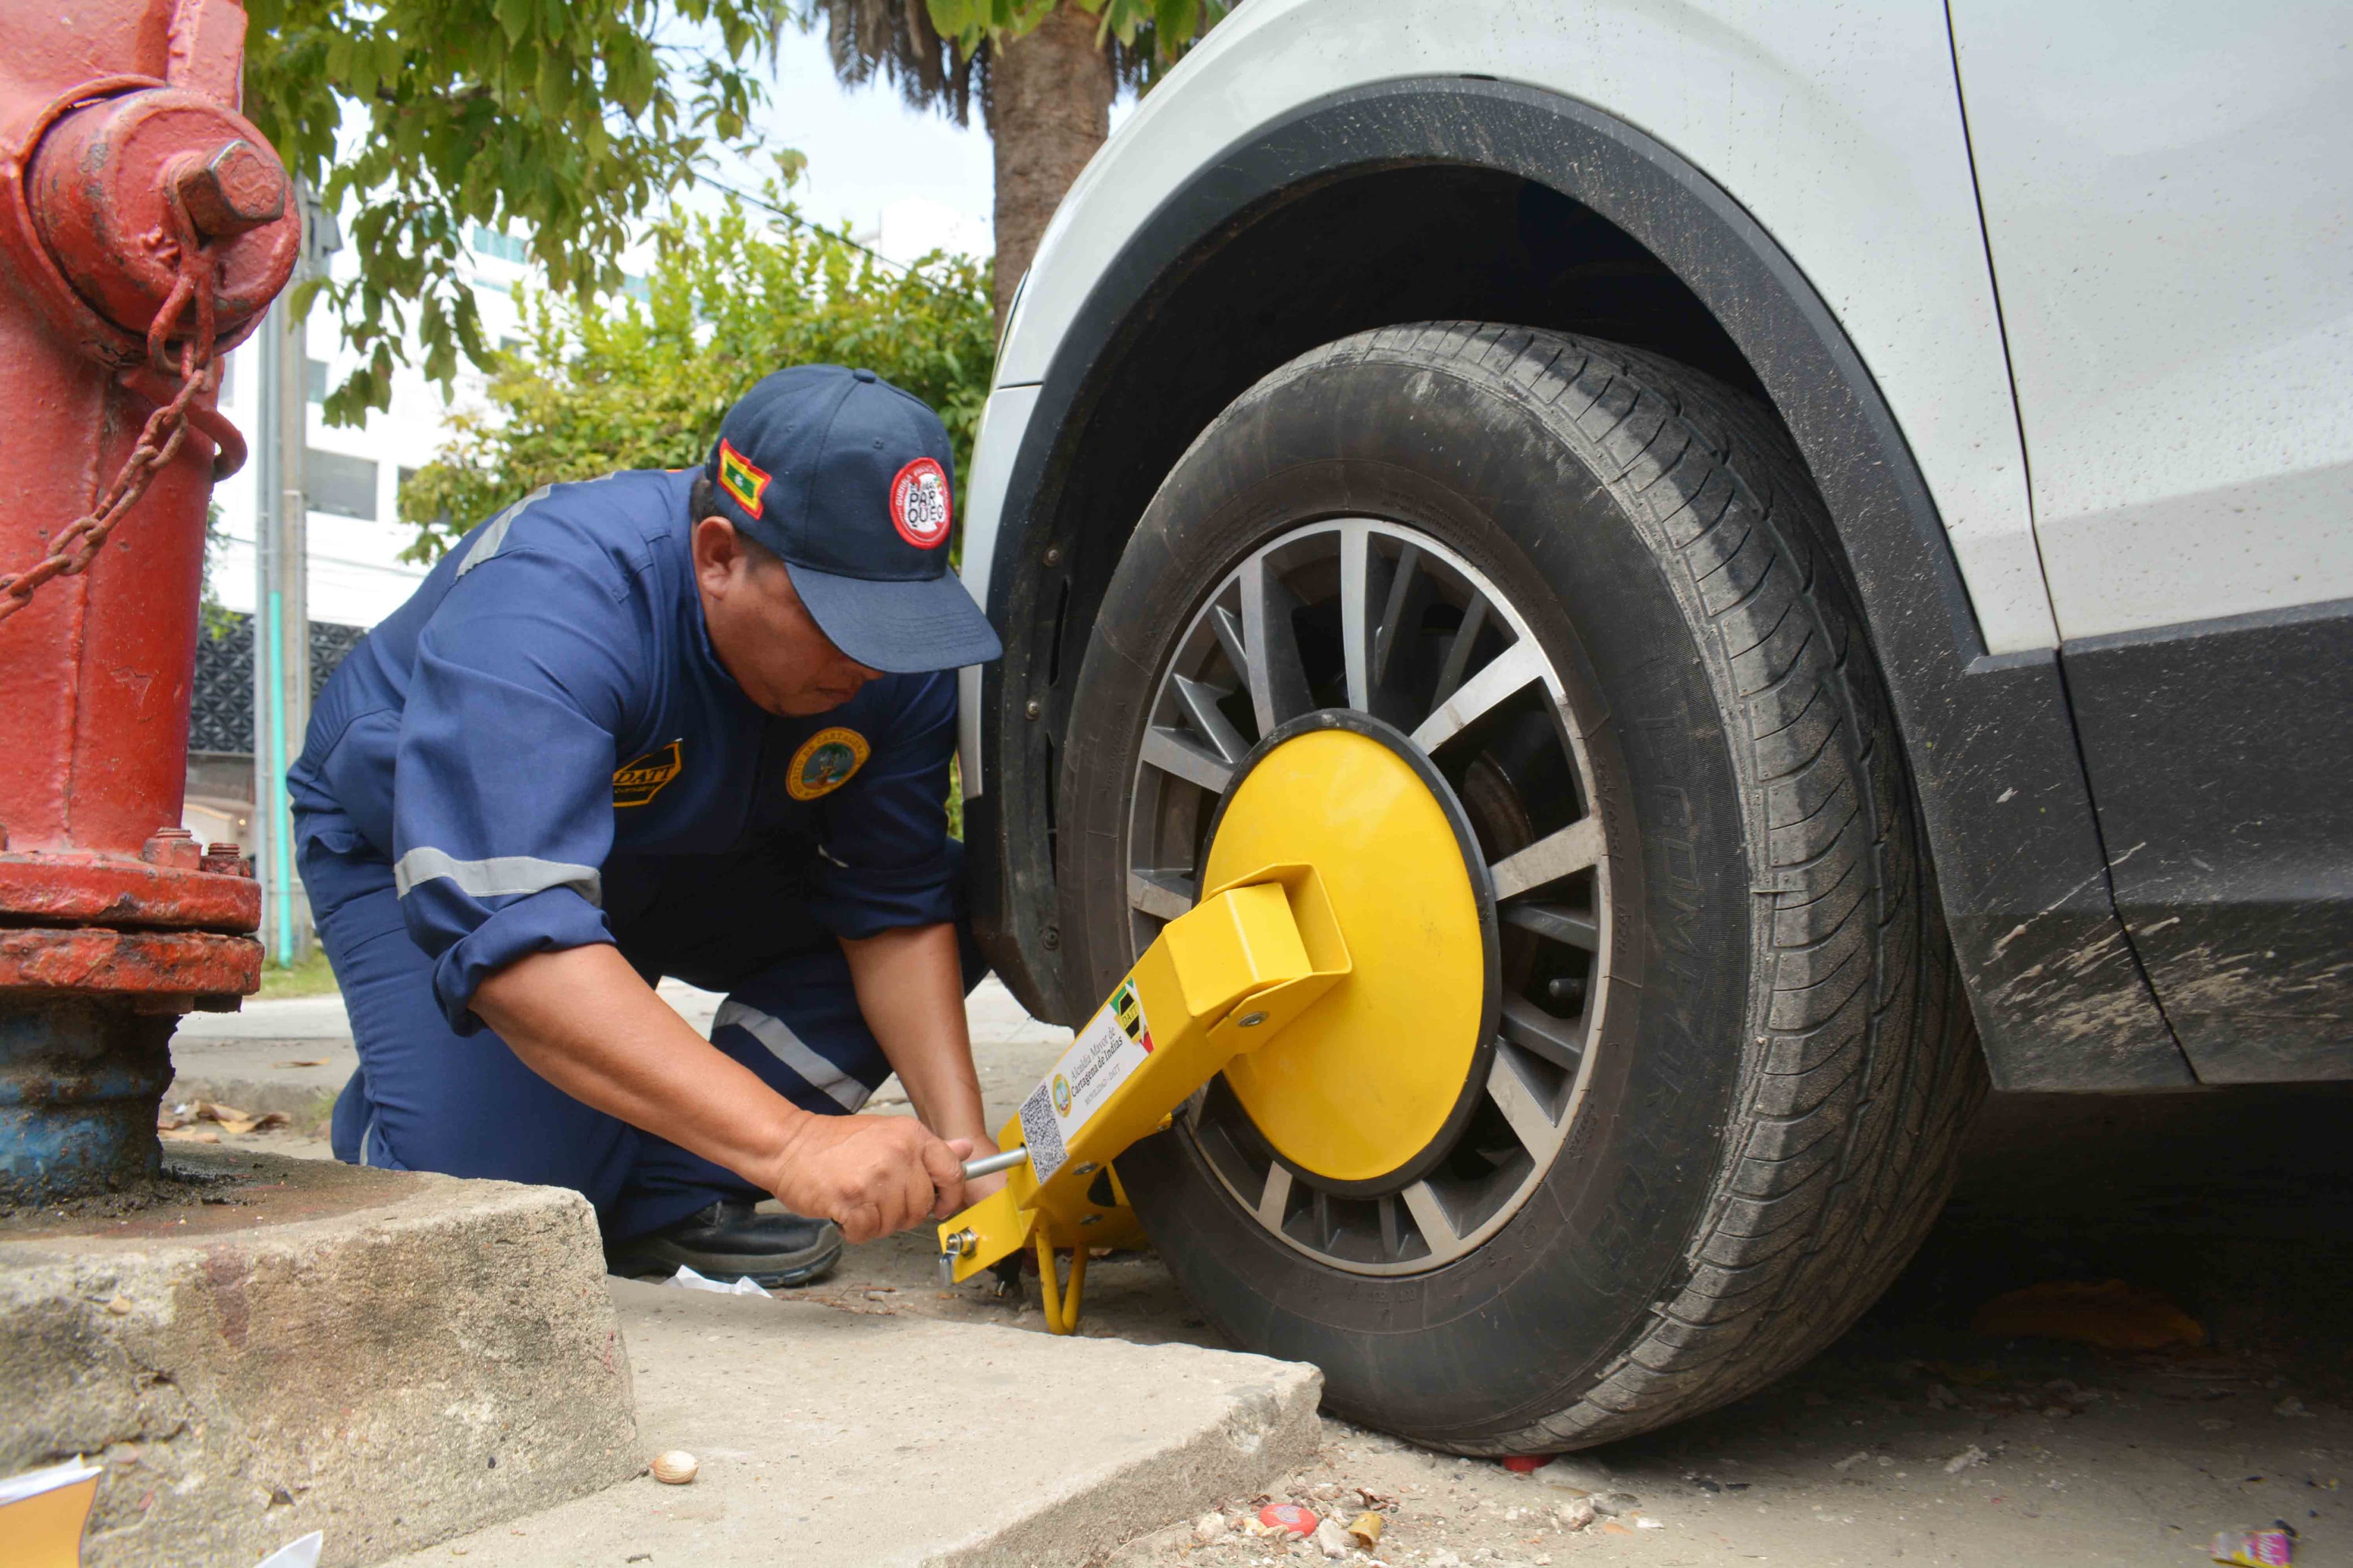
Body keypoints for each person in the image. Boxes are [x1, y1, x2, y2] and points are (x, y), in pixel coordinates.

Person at [287, 365, 1004, 1286]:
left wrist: (966, 1150)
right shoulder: (556, 600)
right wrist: (791, 1146)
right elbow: (515, 942)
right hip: (435, 853)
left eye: (899, 620)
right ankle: (419, 1119)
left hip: (668, 845)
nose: (875, 662)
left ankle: (666, 1195)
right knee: (503, 1213)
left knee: (955, 893)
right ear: (717, 556)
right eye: (843, 620)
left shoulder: (889, 664)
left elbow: (893, 909)